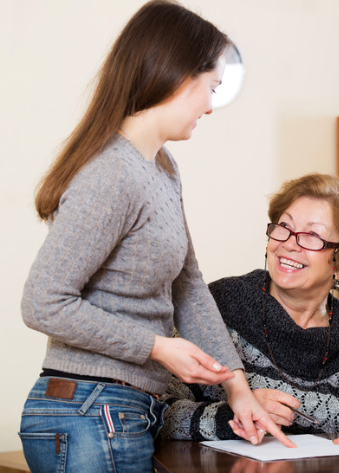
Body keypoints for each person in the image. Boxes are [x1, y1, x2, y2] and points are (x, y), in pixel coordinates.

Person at [19, 2, 291, 472]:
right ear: (178, 76)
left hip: (124, 410)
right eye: (211, 89)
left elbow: (188, 286)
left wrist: (237, 389)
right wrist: (157, 347)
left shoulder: (163, 169)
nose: (209, 105)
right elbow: (43, 301)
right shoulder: (110, 172)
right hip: (88, 410)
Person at [161, 173, 339, 453]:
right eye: (284, 226)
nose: (289, 243)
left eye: (312, 235)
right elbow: (157, 412)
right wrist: (233, 417)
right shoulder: (218, 306)